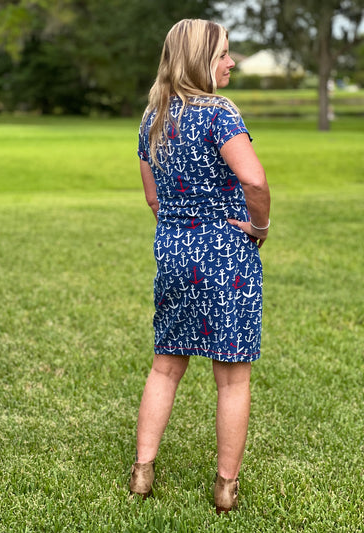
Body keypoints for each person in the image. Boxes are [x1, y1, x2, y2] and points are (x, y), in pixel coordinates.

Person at [130, 18, 270, 513]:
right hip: (226, 255)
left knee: (165, 367)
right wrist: (260, 228)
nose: (231, 62)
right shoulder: (219, 115)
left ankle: (142, 472)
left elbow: (152, 197)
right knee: (231, 376)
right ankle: (225, 488)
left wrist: (180, 229)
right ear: (199, 60)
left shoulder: (153, 119)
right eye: (223, 54)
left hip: (172, 252)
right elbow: (253, 181)